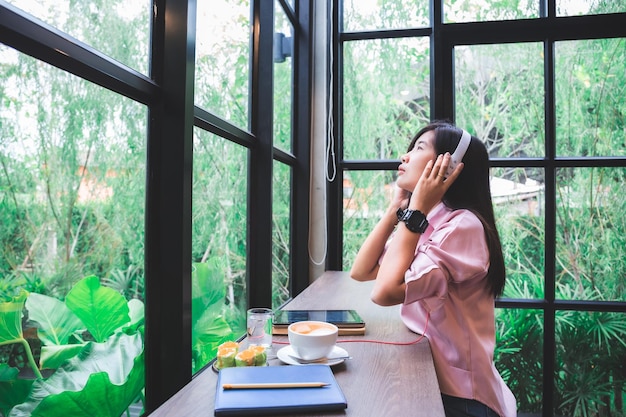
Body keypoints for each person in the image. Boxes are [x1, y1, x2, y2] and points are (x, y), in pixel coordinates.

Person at [350, 121, 516, 417]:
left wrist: (415, 212)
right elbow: (362, 271)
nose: (404, 156)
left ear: (448, 167)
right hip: (432, 379)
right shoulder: (432, 222)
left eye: (418, 148)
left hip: (463, 398)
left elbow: (385, 292)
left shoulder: (463, 226)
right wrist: (395, 212)